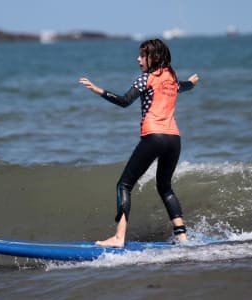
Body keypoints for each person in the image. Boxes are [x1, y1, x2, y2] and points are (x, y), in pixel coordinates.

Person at [79, 38, 199, 247]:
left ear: (154, 58)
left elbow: (125, 101)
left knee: (124, 184)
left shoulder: (146, 79)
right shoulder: (171, 78)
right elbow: (184, 87)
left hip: (154, 136)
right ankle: (182, 237)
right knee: (165, 187)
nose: (138, 59)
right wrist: (193, 83)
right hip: (174, 139)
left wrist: (99, 91)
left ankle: (118, 237)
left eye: (142, 56)